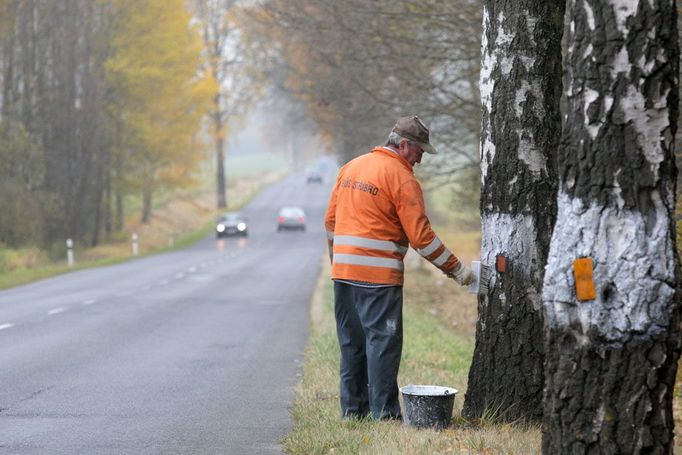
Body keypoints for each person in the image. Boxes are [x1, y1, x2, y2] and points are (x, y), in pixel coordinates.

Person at [324, 115, 475, 420]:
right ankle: (385, 415)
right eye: (420, 151)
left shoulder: (351, 167)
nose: (421, 158)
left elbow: (330, 222)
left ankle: (353, 413)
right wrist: (458, 270)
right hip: (379, 279)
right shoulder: (401, 178)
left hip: (343, 276)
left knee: (352, 344)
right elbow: (422, 238)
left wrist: (338, 261)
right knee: (382, 344)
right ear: (404, 145)